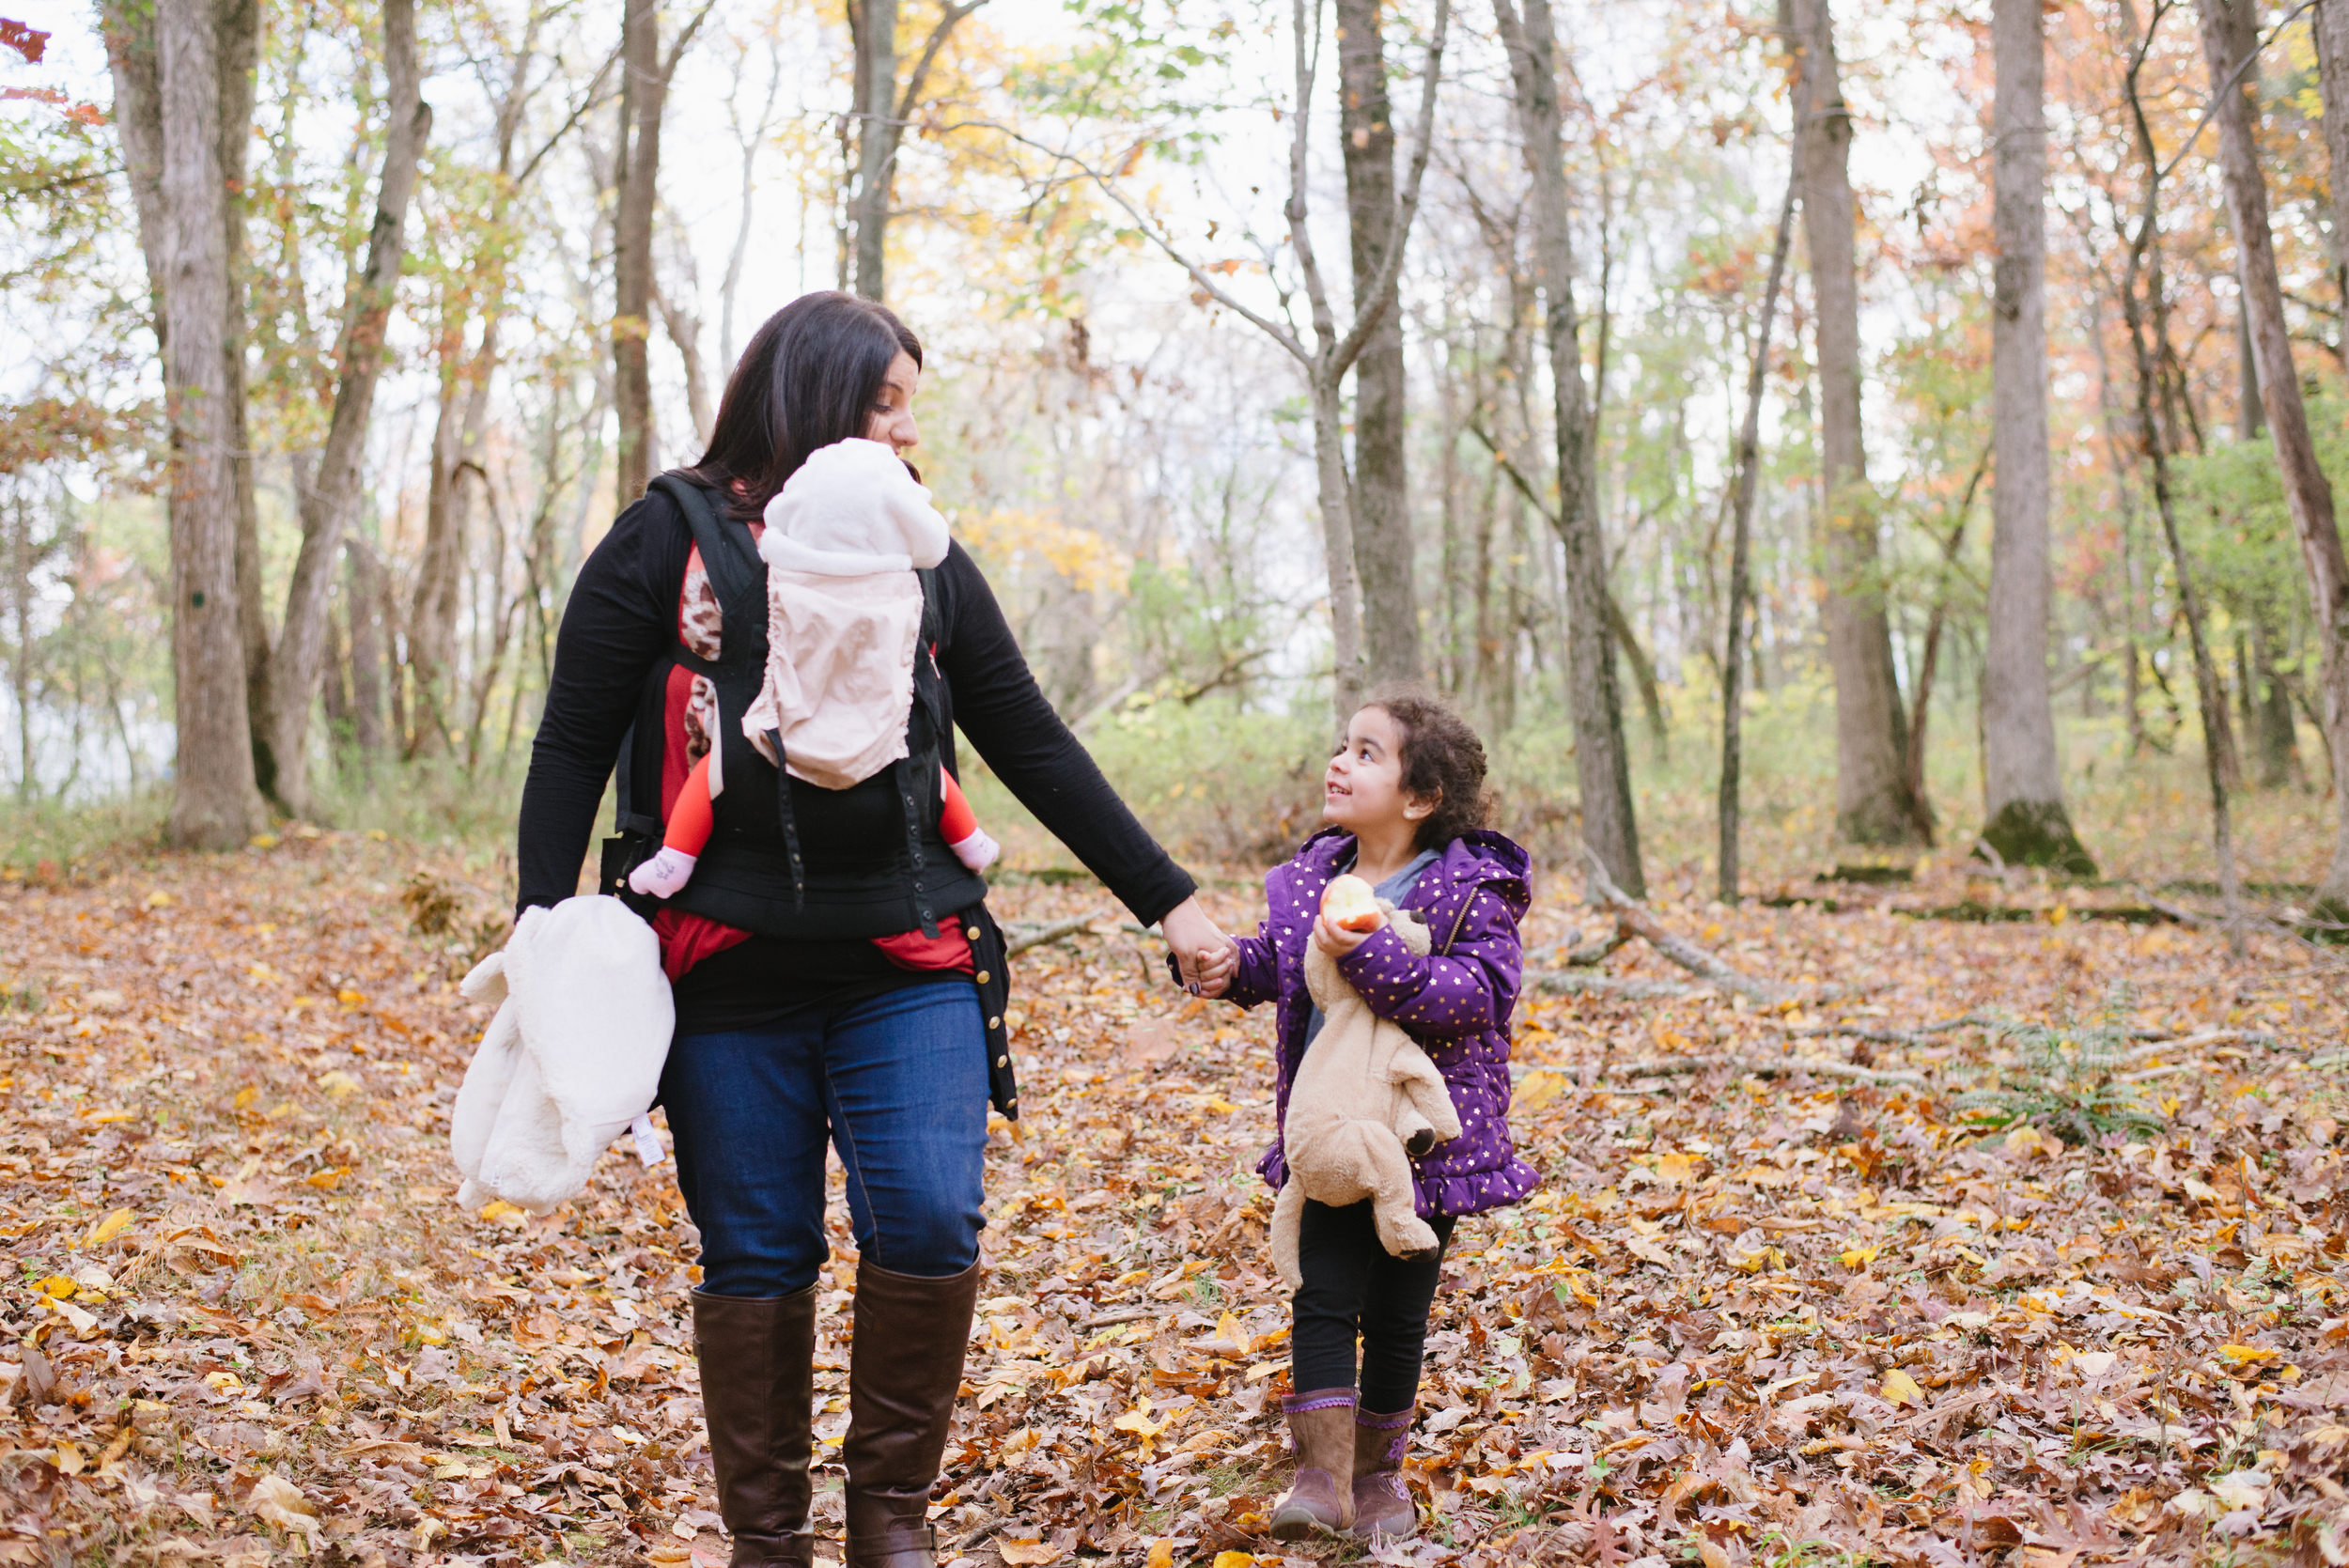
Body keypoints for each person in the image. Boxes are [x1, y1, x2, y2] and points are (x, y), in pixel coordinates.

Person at [515, 289, 1228, 1568]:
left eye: (909, 405)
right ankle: (770, 1541)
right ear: (813, 398)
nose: (904, 432)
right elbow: (572, 739)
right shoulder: (661, 540)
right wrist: (537, 929)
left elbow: (1025, 733)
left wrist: (1166, 893)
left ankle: (888, 1521)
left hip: (908, 961)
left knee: (931, 1217)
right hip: (722, 974)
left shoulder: (918, 547)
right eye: (883, 401)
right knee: (758, 1249)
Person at [1190, 689, 1538, 1544]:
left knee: (1394, 1308)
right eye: (1343, 746)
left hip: (1421, 1142)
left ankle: (1378, 1471)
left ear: (1419, 797)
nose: (1339, 762)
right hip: (1329, 1125)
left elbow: (1481, 994)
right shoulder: (1319, 875)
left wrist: (1377, 952)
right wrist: (1232, 964)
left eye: (1367, 753)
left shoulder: (1468, 885)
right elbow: (1288, 963)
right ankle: (1320, 1473)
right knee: (1320, 1289)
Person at [627, 436, 999, 901]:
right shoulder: (903, 586)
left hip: (785, 726)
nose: (911, 432)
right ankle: (971, 841)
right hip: (879, 729)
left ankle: (675, 858)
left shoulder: (785, 571)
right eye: (888, 403)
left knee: (713, 772)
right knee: (931, 774)